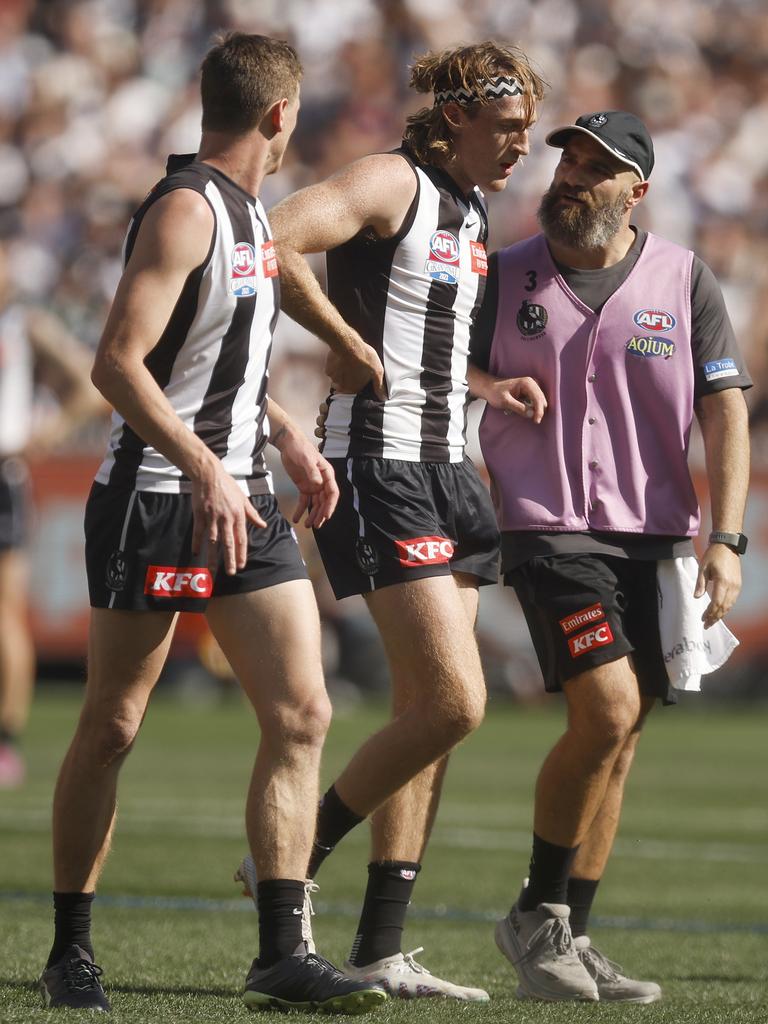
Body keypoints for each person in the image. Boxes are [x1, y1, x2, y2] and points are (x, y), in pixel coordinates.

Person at [38, 32, 388, 1016]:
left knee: (303, 712)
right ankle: (70, 952)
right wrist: (200, 462)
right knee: (112, 725)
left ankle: (282, 950)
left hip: (243, 498)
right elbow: (120, 361)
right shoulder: (189, 210)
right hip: (158, 495)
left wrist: (283, 437)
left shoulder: (249, 219)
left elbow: (216, 355)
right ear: (280, 116)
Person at [234, 40, 547, 1001]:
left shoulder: (475, 206)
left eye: (528, 133)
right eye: (506, 129)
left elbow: (423, 336)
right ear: (456, 117)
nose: (519, 149)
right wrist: (338, 339)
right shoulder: (389, 181)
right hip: (379, 465)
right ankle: (295, 856)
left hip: (450, 462)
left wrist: (490, 388)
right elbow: (270, 237)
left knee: (433, 716)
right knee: (456, 700)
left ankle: (381, 944)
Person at [470, 110, 751, 1002]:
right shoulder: (503, 272)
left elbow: (725, 409)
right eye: (569, 162)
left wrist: (727, 538)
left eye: (596, 168)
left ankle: (571, 937)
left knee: (621, 739)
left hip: (657, 531)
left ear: (637, 191)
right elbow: (442, 369)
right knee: (607, 707)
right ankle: (535, 916)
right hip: (547, 525)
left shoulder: (684, 277)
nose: (571, 178)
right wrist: (487, 387)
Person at [0, 242, 106, 788]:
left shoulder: (22, 323)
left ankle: (6, 740)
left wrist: (48, 435)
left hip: (3, 477)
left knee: (5, 612)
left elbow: (91, 386)